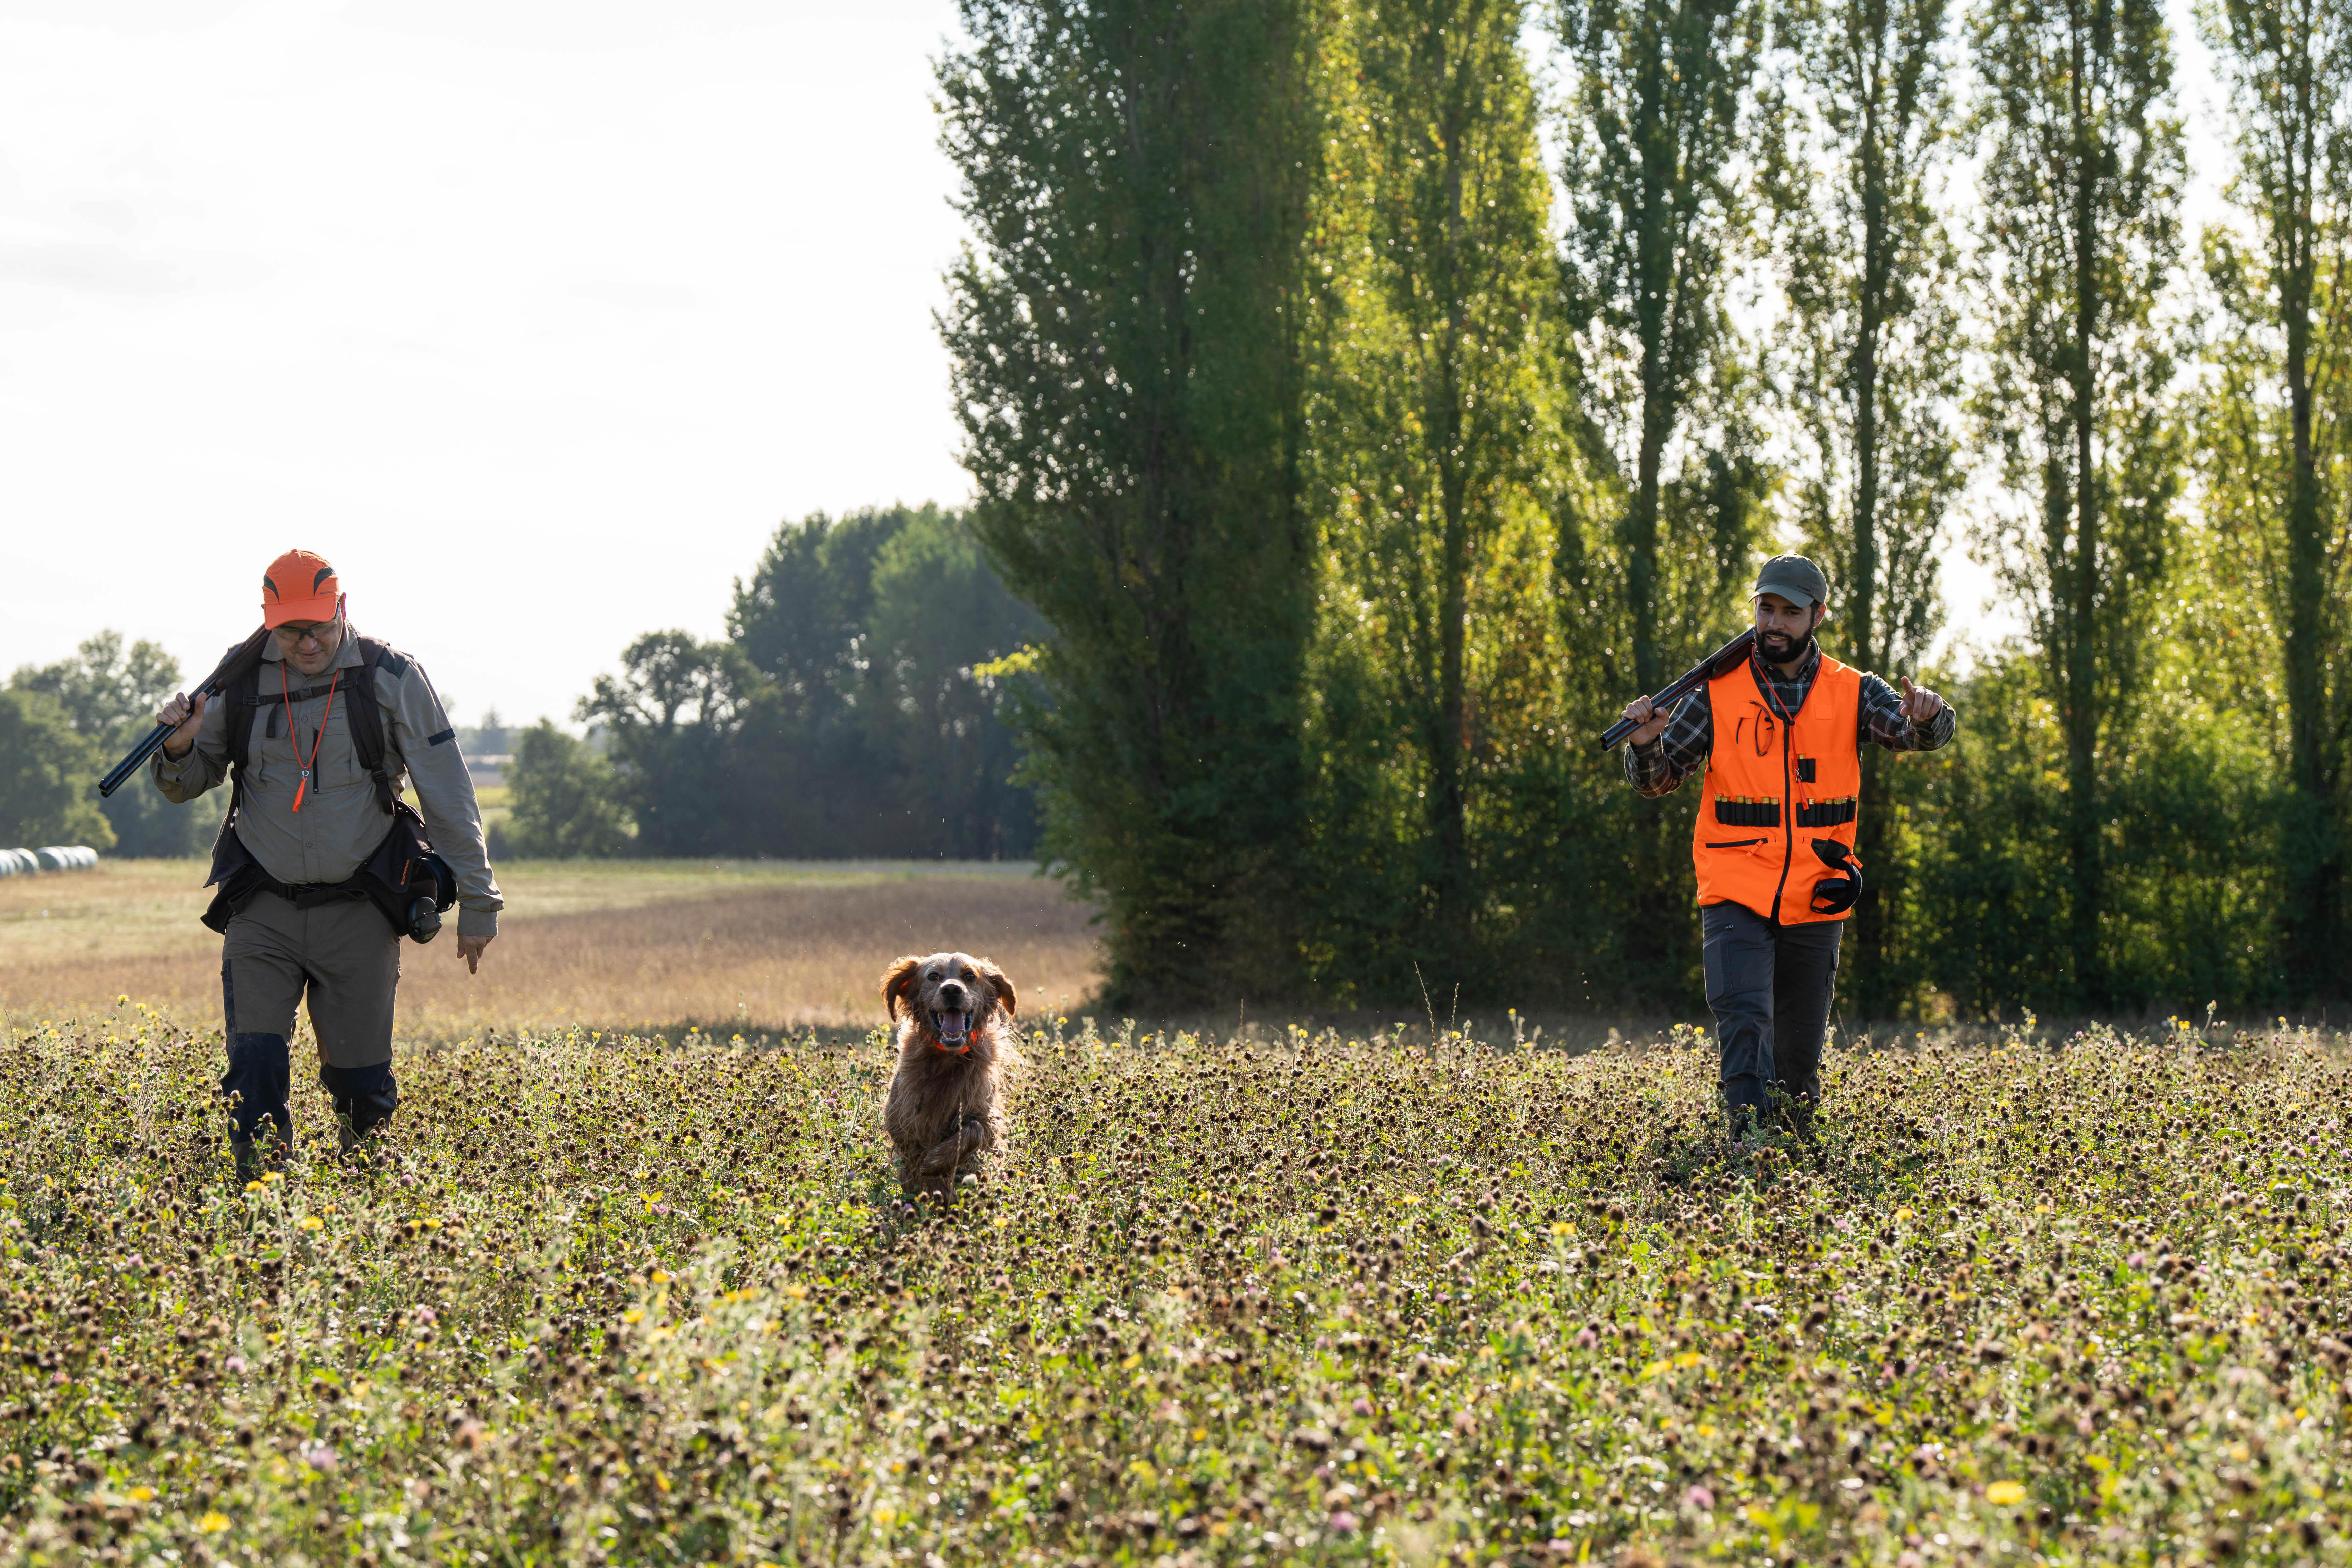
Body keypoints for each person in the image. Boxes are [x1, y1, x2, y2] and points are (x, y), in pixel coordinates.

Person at [150, 549, 502, 1174]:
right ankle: (263, 1211)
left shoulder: (389, 675)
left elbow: (447, 793)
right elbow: (186, 782)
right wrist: (177, 748)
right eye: (289, 630)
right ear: (268, 621)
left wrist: (478, 901)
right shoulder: (236, 680)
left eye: (318, 625)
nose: (307, 642)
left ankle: (362, 1211)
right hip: (261, 908)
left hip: (360, 911)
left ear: (343, 608)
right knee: (253, 1075)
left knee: (361, 1091)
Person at [1617, 554, 1955, 1142]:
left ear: (1817, 615)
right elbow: (1657, 781)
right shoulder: (1712, 692)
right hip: (1734, 888)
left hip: (1818, 893)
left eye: (1790, 613)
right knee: (1745, 1019)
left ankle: (1794, 1158)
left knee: (1799, 1053)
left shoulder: (1855, 691)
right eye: (1765, 608)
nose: (1774, 623)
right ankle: (1747, 1146)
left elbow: (1916, 734)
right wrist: (1645, 745)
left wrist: (1929, 716)